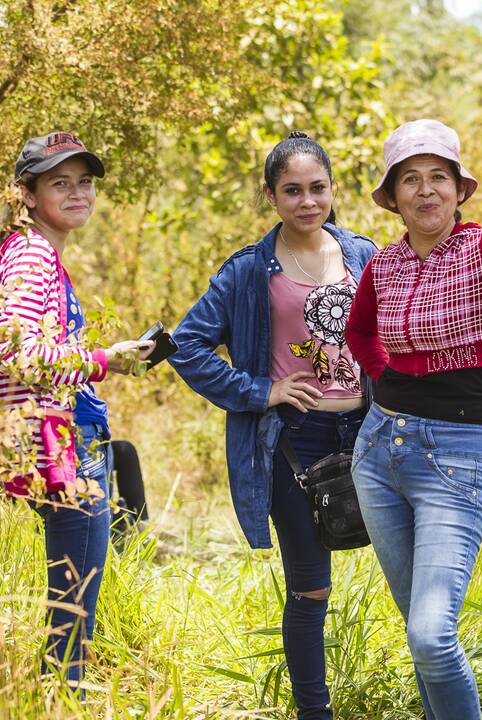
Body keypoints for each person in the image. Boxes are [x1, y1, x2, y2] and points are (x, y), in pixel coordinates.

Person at [344, 118, 482, 720]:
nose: (425, 191)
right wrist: (382, 375)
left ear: (459, 188)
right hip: (378, 454)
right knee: (422, 636)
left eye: (438, 177)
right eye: (409, 180)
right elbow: (358, 329)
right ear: (392, 197)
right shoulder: (383, 264)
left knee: (430, 634)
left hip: (456, 455)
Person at [168, 132, 377, 719]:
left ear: (333, 190)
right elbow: (186, 347)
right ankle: (317, 713)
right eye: (292, 191)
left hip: (369, 436)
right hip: (293, 443)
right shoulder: (247, 272)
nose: (307, 201)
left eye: (317, 188)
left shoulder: (364, 255)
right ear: (270, 196)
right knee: (311, 587)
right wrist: (262, 390)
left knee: (410, 573)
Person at [0, 131, 154, 689]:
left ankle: (59, 693)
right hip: (58, 441)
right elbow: (18, 352)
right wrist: (105, 359)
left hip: (54, 435)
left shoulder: (31, 249)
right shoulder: (32, 253)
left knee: (72, 595)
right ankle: (64, 697)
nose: (79, 193)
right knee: (75, 608)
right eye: (61, 183)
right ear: (28, 194)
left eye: (85, 182)